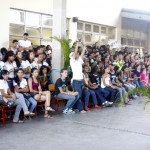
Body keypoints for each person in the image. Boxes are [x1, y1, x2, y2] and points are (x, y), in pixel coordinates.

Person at [70, 41, 86, 113]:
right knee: (78, 95)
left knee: (79, 95)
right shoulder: (72, 61)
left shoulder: (79, 60)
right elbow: (75, 52)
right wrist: (76, 46)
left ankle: (73, 107)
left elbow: (82, 52)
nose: (76, 55)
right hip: (76, 81)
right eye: (74, 54)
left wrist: (84, 45)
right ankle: (80, 109)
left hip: (80, 81)